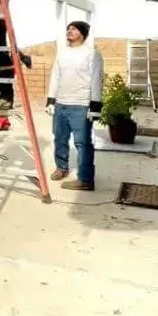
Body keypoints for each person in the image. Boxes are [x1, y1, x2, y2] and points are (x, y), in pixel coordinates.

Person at [45, 20, 104, 191]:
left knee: (83, 143)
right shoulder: (62, 53)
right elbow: (55, 76)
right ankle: (61, 168)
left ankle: (85, 179)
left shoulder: (92, 54)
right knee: (59, 139)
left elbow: (96, 80)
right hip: (61, 104)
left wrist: (95, 106)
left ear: (83, 33)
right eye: (68, 28)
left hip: (81, 105)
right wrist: (51, 100)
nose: (69, 30)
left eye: (74, 28)